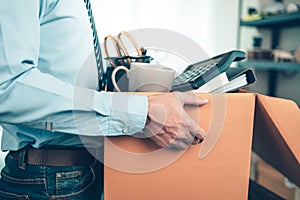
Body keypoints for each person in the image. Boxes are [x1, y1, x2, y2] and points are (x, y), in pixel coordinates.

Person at [0, 0, 207, 199]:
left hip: (84, 170)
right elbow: (7, 87)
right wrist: (140, 113)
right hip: (49, 178)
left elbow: (67, 74)